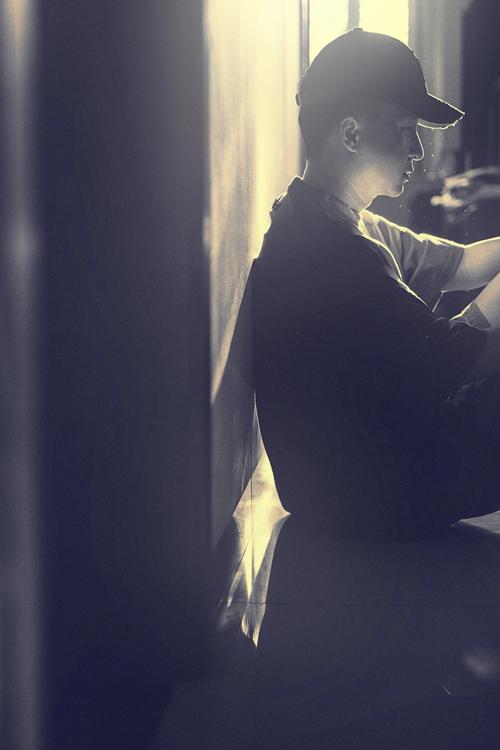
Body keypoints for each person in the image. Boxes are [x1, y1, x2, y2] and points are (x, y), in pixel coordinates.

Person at [252, 28, 500, 541]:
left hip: (356, 476)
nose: (418, 150)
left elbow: (464, 263)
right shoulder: (328, 252)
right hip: (375, 490)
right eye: (406, 129)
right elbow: (447, 362)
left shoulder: (332, 218)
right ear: (351, 134)